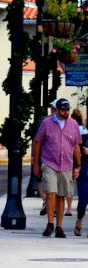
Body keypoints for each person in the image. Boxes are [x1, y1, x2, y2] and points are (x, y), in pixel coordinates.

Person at [31, 98, 82, 237]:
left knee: (61, 196)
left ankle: (59, 227)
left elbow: (76, 146)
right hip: (49, 163)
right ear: (57, 110)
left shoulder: (73, 124)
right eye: (64, 110)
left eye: (68, 109)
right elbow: (38, 142)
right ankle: (50, 224)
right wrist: (36, 163)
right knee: (51, 193)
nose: (66, 112)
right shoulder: (47, 123)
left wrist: (78, 165)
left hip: (66, 164)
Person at [72, 109, 88, 236]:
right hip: (84, 173)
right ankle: (80, 220)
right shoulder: (83, 136)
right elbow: (75, 150)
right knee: (83, 200)